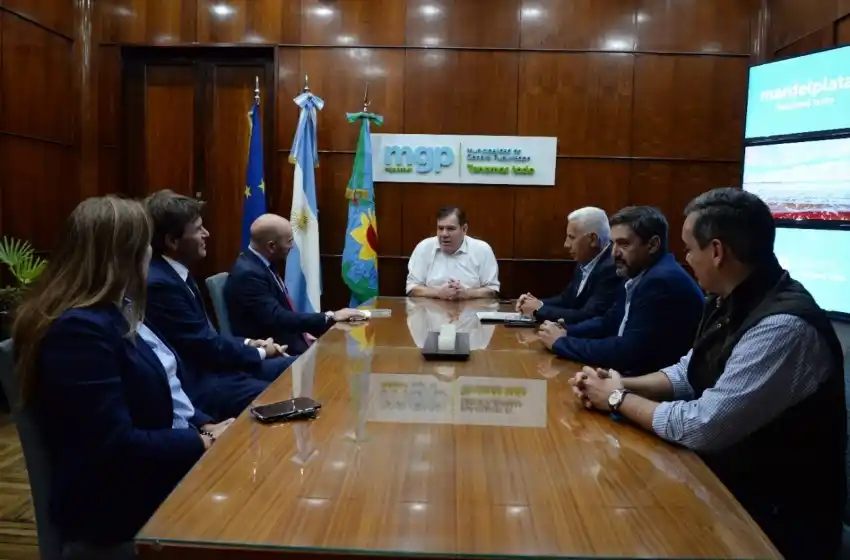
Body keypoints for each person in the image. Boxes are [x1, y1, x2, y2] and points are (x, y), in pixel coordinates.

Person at [570, 188, 846, 560]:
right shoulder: (727, 298)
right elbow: (690, 372)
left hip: (773, 525)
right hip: (727, 488)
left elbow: (704, 425)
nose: (685, 259)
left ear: (716, 252)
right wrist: (618, 383)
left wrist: (618, 399)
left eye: (689, 249)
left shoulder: (783, 327)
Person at [12, 196, 232, 554]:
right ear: (124, 255)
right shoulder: (79, 330)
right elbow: (112, 446)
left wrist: (208, 426)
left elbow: (169, 392)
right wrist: (202, 442)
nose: (151, 254)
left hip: (158, 471)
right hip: (122, 506)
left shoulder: (118, 310)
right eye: (145, 244)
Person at [144, 190, 292, 420]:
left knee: (299, 369)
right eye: (198, 229)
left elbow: (206, 335)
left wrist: (250, 343)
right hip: (202, 383)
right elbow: (203, 346)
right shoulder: (160, 285)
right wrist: (262, 351)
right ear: (173, 241)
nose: (207, 234)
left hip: (219, 369)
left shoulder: (176, 271)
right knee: (282, 395)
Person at [538, 206, 704, 376]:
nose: (614, 253)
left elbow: (626, 352)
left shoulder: (661, 281)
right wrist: (567, 331)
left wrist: (562, 342)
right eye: (613, 243)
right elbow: (608, 322)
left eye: (623, 244)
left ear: (653, 245)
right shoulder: (639, 274)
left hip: (657, 388)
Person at [225, 213, 365, 355]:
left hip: (291, 338)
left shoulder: (262, 264)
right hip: (273, 349)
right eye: (289, 241)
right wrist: (330, 316)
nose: (292, 246)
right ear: (271, 246)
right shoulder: (249, 275)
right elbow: (277, 318)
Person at [516, 206, 622, 323]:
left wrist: (539, 309)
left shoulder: (611, 268)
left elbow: (588, 316)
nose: (566, 244)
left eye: (572, 237)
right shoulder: (585, 260)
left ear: (593, 240)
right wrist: (535, 303)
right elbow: (566, 300)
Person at [406, 206, 499, 300]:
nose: (444, 234)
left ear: (464, 229)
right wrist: (438, 293)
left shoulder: (482, 250)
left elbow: (492, 291)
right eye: (440, 228)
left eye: (450, 229)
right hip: (431, 311)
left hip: (471, 312)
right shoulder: (424, 247)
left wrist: (468, 294)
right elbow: (411, 288)